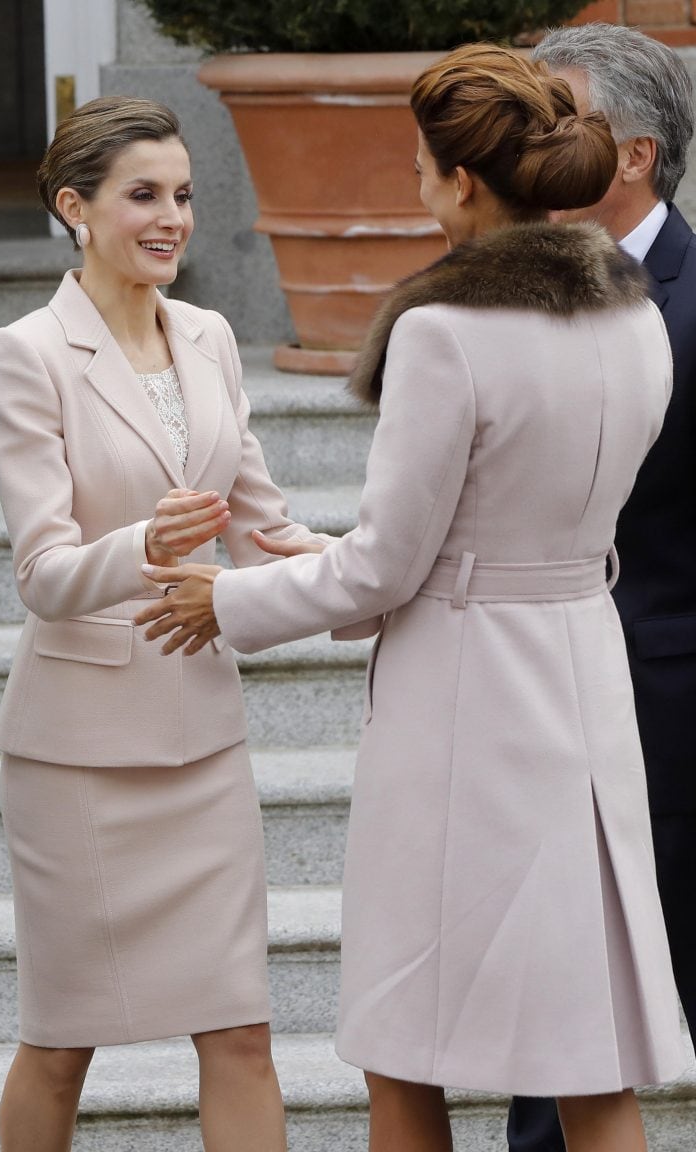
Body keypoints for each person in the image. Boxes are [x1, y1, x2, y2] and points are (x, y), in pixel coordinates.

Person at [135, 43, 686, 1152]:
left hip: (465, 707)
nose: (418, 186)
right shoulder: (635, 318)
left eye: (423, 168)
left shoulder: (443, 331)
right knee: (592, 1059)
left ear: (465, 183)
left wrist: (230, 601)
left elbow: (389, 565)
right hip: (586, 674)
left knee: (407, 1047)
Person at [0, 94, 324, 1152]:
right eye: (144, 195)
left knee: (244, 1036)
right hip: (78, 760)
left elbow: (266, 524)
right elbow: (41, 575)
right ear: (74, 208)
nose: (172, 216)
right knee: (61, 1043)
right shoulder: (26, 353)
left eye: (182, 193)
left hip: (202, 744)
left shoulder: (213, 336)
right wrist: (148, 545)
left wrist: (375, 569)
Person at [504, 24, 696, 1152]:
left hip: (671, 719)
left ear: (630, 155)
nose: (528, 143)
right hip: (544, 710)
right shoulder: (503, 293)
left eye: (554, 114)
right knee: (558, 1012)